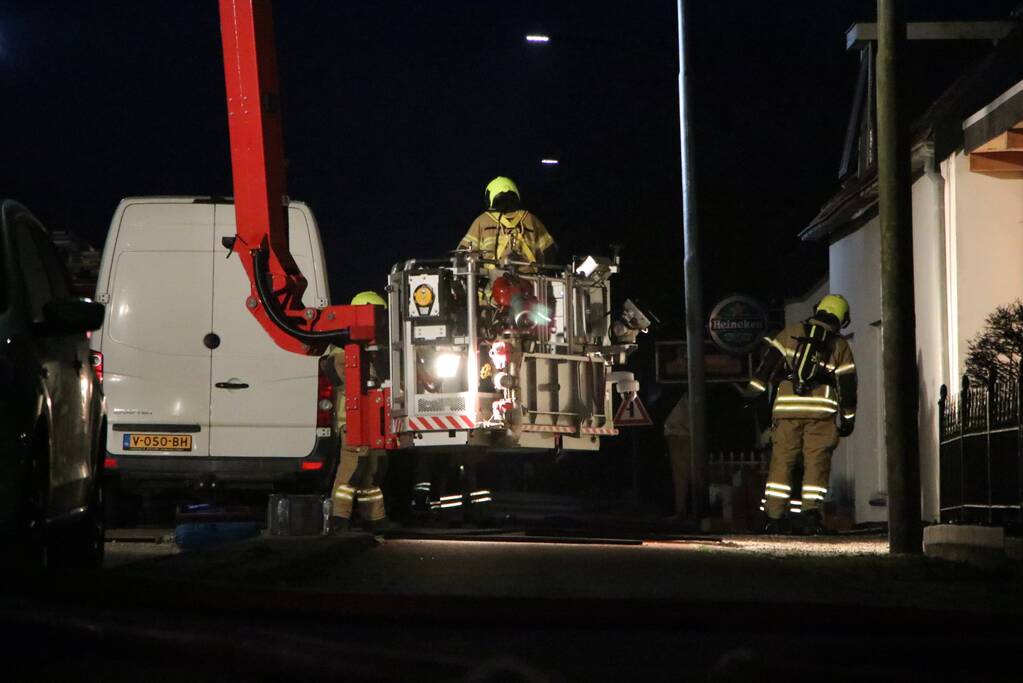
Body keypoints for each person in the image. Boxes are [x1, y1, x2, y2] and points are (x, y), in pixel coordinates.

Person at [745, 294, 857, 535]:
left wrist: (753, 396)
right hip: (821, 413)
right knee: (817, 463)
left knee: (782, 462)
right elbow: (847, 385)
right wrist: (848, 419)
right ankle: (810, 516)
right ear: (841, 318)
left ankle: (774, 517)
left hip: (786, 410)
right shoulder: (839, 345)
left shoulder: (790, 333)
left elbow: (765, 368)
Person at [325, 291, 392, 533]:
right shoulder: (342, 355)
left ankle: (374, 518)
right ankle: (339, 518)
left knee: (372, 472)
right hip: (353, 422)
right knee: (352, 468)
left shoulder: (375, 353)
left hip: (375, 423)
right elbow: (349, 380)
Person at [457, 176, 556, 266]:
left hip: (493, 281)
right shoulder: (531, 219)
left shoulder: (482, 221)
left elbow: (463, 252)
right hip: (530, 282)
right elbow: (550, 250)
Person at [663, 393, 691, 519]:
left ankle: (682, 509)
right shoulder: (684, 400)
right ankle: (683, 509)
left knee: (680, 471)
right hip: (680, 429)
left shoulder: (676, 400)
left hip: (678, 429)